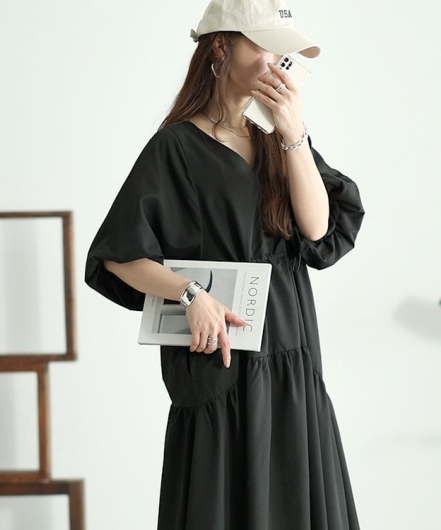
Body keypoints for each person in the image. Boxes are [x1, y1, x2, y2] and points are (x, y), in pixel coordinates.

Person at [85, 0, 364, 528]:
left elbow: (317, 229)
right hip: (222, 362)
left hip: (292, 353)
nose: (276, 62)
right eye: (263, 46)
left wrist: (293, 132)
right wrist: (190, 294)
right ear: (220, 47)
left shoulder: (279, 137)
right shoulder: (175, 146)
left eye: (282, 52)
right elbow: (119, 254)